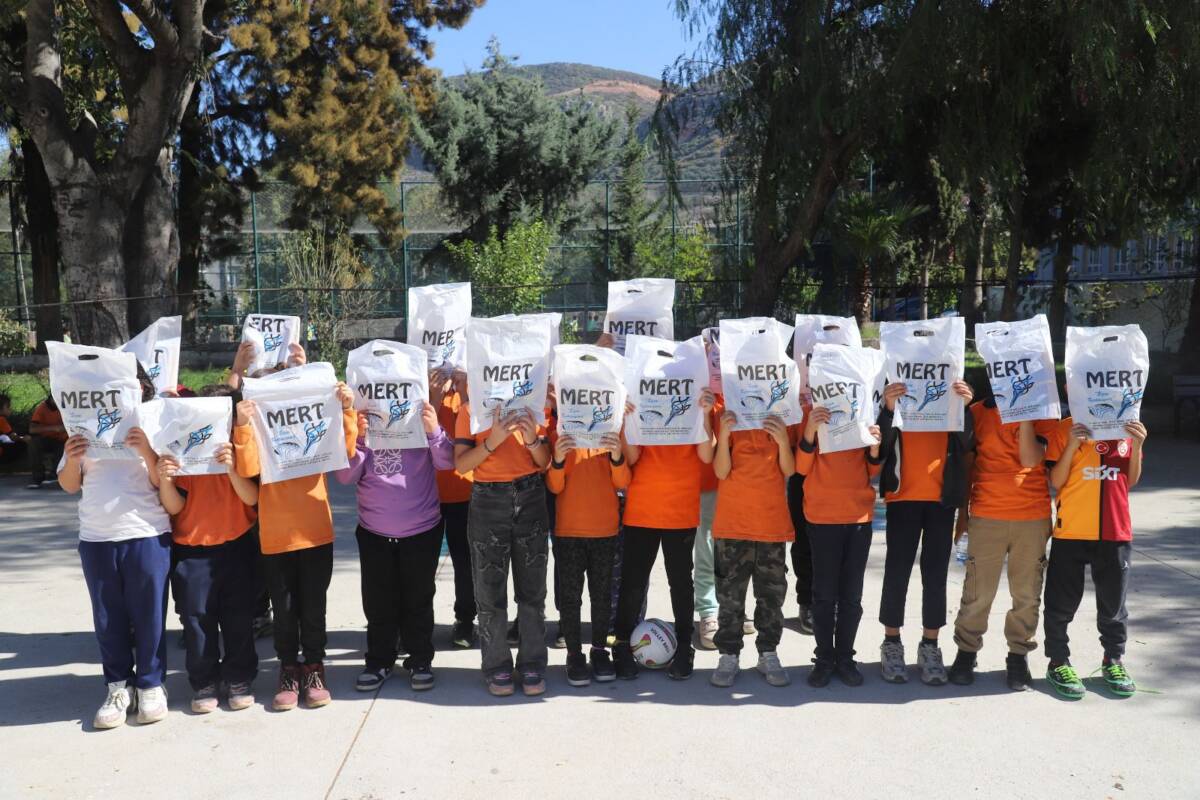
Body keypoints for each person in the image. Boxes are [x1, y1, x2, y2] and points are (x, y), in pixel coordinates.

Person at [233, 344, 358, 711]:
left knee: (314, 607)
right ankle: (288, 668)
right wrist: (243, 426)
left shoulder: (313, 419)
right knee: (284, 610)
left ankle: (314, 667)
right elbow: (247, 469)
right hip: (275, 535)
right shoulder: (255, 424)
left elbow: (346, 450)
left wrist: (346, 409)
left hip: (316, 528)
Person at [59, 368, 172, 729]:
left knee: (149, 615)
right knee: (108, 618)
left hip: (146, 533)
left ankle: (151, 684)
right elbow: (69, 484)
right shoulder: (81, 425)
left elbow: (161, 481)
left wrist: (146, 451)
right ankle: (118, 686)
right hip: (97, 538)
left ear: (141, 386)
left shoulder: (153, 421)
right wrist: (72, 457)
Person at [336, 398, 453, 693]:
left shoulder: (420, 421)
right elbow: (345, 475)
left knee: (419, 599)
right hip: (374, 530)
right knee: (378, 602)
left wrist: (434, 430)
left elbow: (447, 462)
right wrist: (359, 439)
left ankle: (420, 659)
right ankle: (379, 661)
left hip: (421, 528)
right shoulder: (360, 425)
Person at [947, 397, 1063, 691]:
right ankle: (966, 651)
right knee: (978, 592)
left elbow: (1031, 459)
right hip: (987, 514)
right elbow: (968, 466)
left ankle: (1018, 655)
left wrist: (1024, 413)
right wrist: (963, 515)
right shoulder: (978, 412)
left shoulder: (1044, 410)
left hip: (1031, 515)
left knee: (1026, 593)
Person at [156, 385, 260, 713]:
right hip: (192, 552)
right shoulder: (185, 452)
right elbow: (174, 507)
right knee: (196, 622)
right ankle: (204, 682)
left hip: (237, 548)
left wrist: (231, 468)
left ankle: (239, 677)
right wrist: (165, 479)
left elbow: (252, 499)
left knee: (239, 618)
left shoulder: (240, 449)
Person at [874, 380, 975, 686]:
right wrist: (888, 408)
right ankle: (891, 642)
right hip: (902, 496)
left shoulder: (952, 392)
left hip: (941, 499)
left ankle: (930, 646)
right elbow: (881, 447)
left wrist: (964, 407)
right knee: (897, 572)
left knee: (935, 575)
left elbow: (967, 443)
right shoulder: (898, 389)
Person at [612, 389, 716, 681]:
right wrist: (626, 420)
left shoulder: (693, 400)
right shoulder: (644, 397)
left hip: (680, 507)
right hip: (643, 506)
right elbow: (632, 456)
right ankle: (621, 643)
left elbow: (706, 454)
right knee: (633, 581)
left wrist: (706, 414)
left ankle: (684, 646)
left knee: (680, 582)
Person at [1042, 417, 1146, 699]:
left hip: (1115, 530)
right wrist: (1072, 444)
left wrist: (1137, 444)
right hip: (1071, 529)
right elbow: (1056, 480)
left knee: (1114, 604)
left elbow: (1130, 480)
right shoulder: (1064, 428)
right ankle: (1058, 661)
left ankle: (1113, 660)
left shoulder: (1127, 424)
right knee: (1061, 602)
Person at [454, 405, 552, 697]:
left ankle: (532, 661)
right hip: (488, 497)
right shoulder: (470, 409)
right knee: (489, 593)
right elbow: (461, 465)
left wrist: (531, 439)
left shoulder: (534, 404)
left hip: (530, 493)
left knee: (533, 591)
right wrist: (492, 441)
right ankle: (496, 664)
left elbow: (545, 461)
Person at [708, 411, 798, 688]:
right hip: (732, 524)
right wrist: (724, 434)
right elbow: (720, 471)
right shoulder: (729, 415)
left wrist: (782, 441)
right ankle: (728, 655)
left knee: (771, 595)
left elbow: (789, 470)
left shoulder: (783, 414)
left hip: (771, 524)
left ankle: (768, 652)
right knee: (730, 596)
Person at [796, 406, 883, 688]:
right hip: (822, 517)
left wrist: (874, 447)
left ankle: (845, 658)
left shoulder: (864, 410)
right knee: (823, 596)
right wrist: (810, 430)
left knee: (851, 596)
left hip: (858, 517)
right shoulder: (811, 413)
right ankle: (823, 659)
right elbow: (801, 468)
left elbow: (873, 469)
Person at [546, 429, 629, 685]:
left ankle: (599, 650)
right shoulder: (561, 431)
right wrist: (558, 459)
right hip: (569, 530)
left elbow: (622, 481)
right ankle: (574, 653)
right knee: (571, 598)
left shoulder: (613, 430)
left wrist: (617, 455)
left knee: (601, 596)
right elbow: (554, 485)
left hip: (604, 529)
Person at [431, 368, 476, 648]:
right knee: (422, 566)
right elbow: (416, 432)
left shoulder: (466, 388)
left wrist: (464, 390)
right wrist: (435, 395)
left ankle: (465, 620)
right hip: (427, 494)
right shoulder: (422, 388)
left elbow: (476, 430)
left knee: (465, 562)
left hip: (465, 490)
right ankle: (417, 622)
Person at [27, 395, 67, 488]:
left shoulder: (67, 407)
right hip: (46, 439)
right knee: (33, 443)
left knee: (65, 446)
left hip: (62, 440)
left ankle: (54, 476)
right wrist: (53, 428)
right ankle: (37, 478)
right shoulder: (42, 408)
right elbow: (32, 429)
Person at [0, 393, 28, 465]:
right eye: (8, 407)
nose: (10, 409)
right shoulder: (1, 420)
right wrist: (23, 438)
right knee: (21, 444)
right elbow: (13, 437)